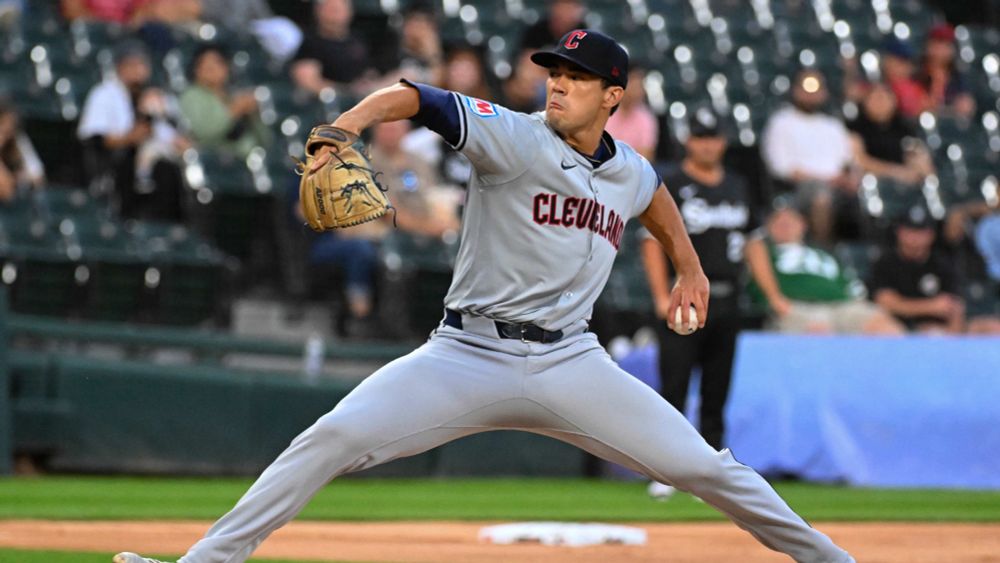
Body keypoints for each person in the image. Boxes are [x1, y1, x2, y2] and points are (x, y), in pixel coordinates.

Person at [114, 29, 853, 563]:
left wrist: (688, 263)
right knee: (331, 437)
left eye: (574, 76)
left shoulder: (627, 167)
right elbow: (413, 96)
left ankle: (831, 560)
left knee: (704, 467)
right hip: (464, 353)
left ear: (613, 95)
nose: (556, 83)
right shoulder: (514, 137)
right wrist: (345, 126)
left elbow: (653, 196)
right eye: (553, 72)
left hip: (572, 362)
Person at [640, 110, 757, 499]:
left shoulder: (738, 185)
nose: (707, 144)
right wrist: (660, 295)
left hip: (727, 298)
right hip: (681, 301)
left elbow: (754, 243)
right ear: (689, 140)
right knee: (673, 387)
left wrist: (772, 295)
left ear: (723, 141)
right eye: (700, 136)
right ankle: (666, 470)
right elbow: (651, 243)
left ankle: (709, 474)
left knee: (716, 392)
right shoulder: (671, 182)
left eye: (714, 137)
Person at [745, 198, 904, 334]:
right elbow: (754, 254)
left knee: (888, 329)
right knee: (820, 333)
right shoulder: (761, 248)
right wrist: (777, 301)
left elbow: (852, 288)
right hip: (799, 307)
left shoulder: (826, 254)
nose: (785, 224)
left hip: (842, 306)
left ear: (803, 225)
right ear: (767, 227)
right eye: (777, 220)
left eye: (791, 219)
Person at [77, 40, 189, 221]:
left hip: (158, 165)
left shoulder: (156, 97)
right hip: (115, 166)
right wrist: (131, 137)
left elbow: (177, 134)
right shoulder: (105, 93)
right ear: (119, 66)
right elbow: (94, 139)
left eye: (142, 64)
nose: (138, 70)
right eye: (132, 64)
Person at [762, 69, 858, 246]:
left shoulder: (832, 125)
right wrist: (826, 179)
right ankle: (823, 248)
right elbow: (781, 168)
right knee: (821, 195)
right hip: (799, 188)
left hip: (839, 188)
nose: (810, 94)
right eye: (806, 87)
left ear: (824, 93)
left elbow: (847, 162)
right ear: (795, 90)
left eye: (816, 88)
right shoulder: (781, 122)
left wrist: (849, 178)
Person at [870, 206, 964, 333]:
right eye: (909, 231)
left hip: (936, 332)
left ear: (931, 235)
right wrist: (931, 306)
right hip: (897, 329)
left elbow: (954, 306)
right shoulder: (886, 262)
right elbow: (885, 303)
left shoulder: (942, 264)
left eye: (921, 232)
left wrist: (952, 341)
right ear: (899, 232)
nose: (914, 238)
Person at [179, 44, 270, 159]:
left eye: (217, 63)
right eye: (205, 64)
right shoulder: (191, 95)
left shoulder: (232, 95)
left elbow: (265, 140)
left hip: (246, 160)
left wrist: (254, 115)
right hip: (214, 162)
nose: (211, 68)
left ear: (227, 68)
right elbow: (203, 133)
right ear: (196, 70)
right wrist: (235, 110)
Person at [847, 82, 933, 186]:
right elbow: (860, 160)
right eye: (875, 98)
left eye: (884, 98)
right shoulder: (856, 128)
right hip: (873, 184)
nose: (880, 103)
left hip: (906, 185)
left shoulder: (906, 128)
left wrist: (920, 172)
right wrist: (896, 172)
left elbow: (919, 156)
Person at [290, 0, 376, 96]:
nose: (335, 15)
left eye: (338, 9)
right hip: (328, 103)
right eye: (331, 9)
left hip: (364, 97)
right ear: (318, 11)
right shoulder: (309, 42)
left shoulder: (357, 39)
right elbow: (308, 81)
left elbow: (369, 71)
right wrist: (348, 91)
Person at [917, 23, 976, 119]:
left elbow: (965, 105)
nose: (939, 50)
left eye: (945, 44)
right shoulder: (917, 73)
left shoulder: (957, 77)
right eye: (936, 43)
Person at [605, 65, 659, 162]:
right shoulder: (604, 110)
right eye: (634, 84)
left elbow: (645, 159)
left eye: (640, 85)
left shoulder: (646, 117)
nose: (639, 90)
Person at [0, 99, 45, 203]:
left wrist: (20, 178)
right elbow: (6, 191)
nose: (5, 134)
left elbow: (39, 178)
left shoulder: (16, 139)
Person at [519, 0, 586, 50]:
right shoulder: (537, 31)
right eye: (559, 5)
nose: (563, 12)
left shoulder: (585, 34)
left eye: (569, 7)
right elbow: (527, 64)